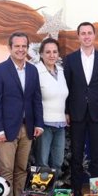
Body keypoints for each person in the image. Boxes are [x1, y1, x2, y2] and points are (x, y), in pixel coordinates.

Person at [0, 32, 44, 196]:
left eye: (24, 46)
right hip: (6, 129)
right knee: (7, 170)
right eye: (17, 46)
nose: (21, 49)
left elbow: (36, 98)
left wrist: (38, 124)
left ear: (27, 48)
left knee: (21, 169)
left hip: (27, 128)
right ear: (10, 48)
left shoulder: (33, 70)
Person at [63, 22, 98, 196]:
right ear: (78, 37)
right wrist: (66, 111)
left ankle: (97, 193)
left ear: (94, 36)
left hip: (97, 115)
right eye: (82, 33)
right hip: (76, 114)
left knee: (97, 156)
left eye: (89, 33)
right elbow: (66, 88)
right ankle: (76, 191)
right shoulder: (70, 59)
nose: (86, 36)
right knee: (76, 156)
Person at [35, 38, 69, 181]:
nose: (52, 55)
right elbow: (33, 99)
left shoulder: (61, 71)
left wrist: (66, 113)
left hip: (60, 124)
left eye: (55, 52)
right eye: (48, 52)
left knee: (58, 161)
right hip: (44, 125)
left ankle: (53, 193)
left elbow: (62, 96)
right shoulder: (36, 71)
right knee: (43, 162)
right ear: (41, 54)